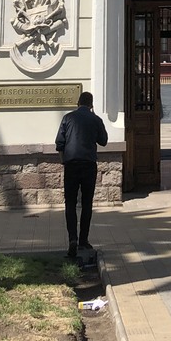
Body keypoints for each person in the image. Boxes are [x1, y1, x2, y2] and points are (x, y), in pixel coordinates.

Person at [55, 91, 108, 258]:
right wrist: (95, 118)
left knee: (70, 203)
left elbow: (59, 143)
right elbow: (104, 141)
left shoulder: (67, 118)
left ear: (78, 103)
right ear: (91, 105)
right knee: (87, 203)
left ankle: (72, 239)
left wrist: (64, 162)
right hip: (88, 165)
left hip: (71, 164)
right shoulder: (96, 120)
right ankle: (83, 240)